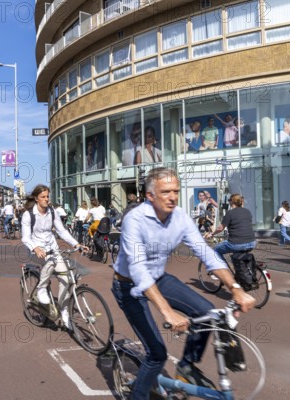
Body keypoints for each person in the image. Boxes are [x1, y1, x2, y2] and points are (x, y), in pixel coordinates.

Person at [112, 167, 255, 400]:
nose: (173, 196)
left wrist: (236, 288)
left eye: (176, 191)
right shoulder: (134, 220)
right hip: (129, 286)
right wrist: (167, 312)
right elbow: (138, 269)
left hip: (159, 278)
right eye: (166, 191)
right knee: (157, 354)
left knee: (207, 312)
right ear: (150, 196)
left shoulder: (180, 217)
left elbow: (206, 254)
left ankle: (186, 366)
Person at [20, 184, 88, 329]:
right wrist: (36, 247)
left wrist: (76, 244)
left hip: (52, 248)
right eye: (43, 197)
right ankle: (41, 288)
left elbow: (62, 231)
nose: (46, 200)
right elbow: (25, 237)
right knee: (49, 263)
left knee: (66, 279)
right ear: (36, 199)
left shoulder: (52, 211)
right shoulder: (28, 214)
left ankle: (64, 311)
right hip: (35, 250)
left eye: (47, 196)